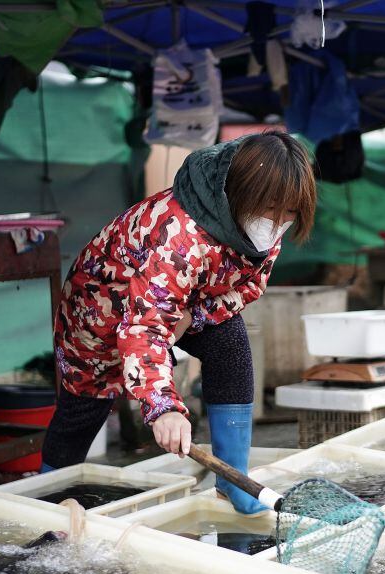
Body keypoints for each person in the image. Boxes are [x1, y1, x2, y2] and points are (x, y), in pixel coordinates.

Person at [46, 132, 316, 514]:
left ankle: (234, 482)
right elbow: (146, 328)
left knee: (230, 344)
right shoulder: (179, 237)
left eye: (289, 212)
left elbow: (251, 284)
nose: (277, 223)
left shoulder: (263, 227)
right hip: (100, 310)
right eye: (271, 209)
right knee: (85, 404)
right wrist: (163, 407)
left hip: (180, 304)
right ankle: (49, 494)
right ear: (240, 193)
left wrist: (197, 315)